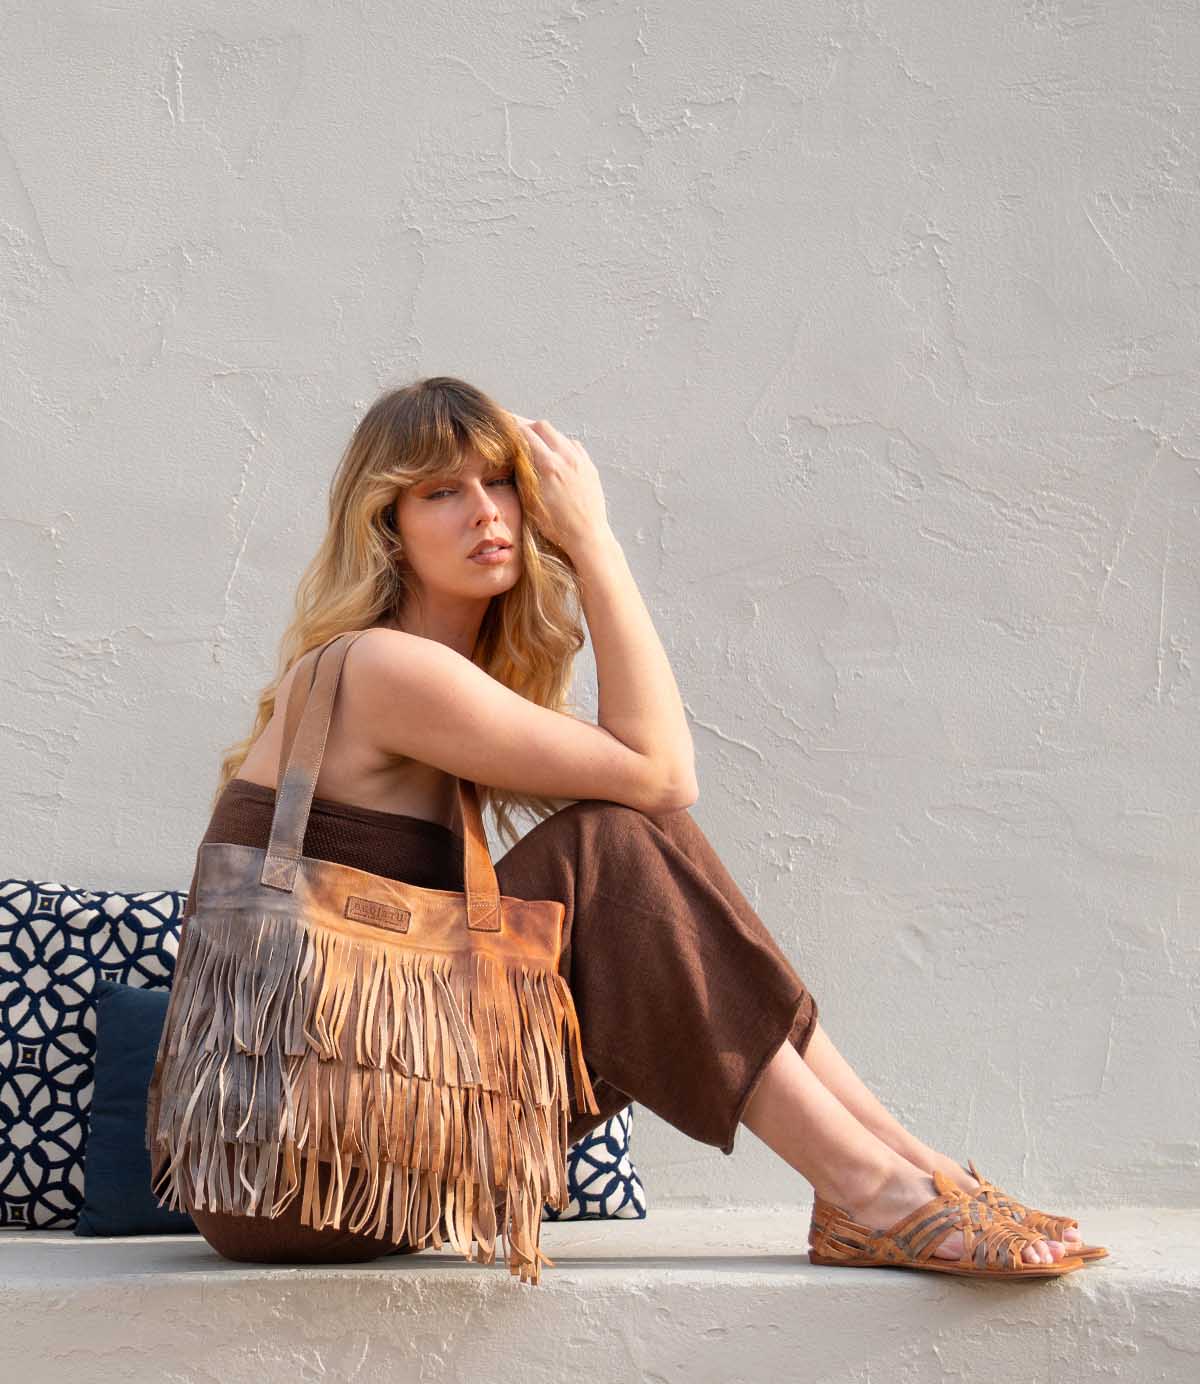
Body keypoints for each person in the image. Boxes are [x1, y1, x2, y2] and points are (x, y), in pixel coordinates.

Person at [178, 376, 1100, 1276]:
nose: (486, 512)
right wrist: (597, 542)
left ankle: (903, 1165)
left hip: (382, 1136)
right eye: (442, 492)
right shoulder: (380, 668)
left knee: (642, 841)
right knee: (614, 839)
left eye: (501, 482)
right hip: (291, 1176)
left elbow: (659, 798)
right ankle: (874, 1189)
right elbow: (665, 770)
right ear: (389, 525)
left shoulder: (442, 679)